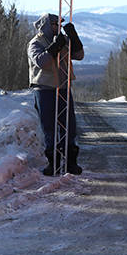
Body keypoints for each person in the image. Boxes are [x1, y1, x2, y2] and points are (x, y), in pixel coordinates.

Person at [27, 13, 85, 175]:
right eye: (54, 25)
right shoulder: (35, 43)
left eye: (59, 25)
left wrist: (74, 38)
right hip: (44, 89)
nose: (57, 27)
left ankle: (71, 163)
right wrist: (54, 48)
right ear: (46, 25)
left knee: (68, 126)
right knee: (49, 128)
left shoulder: (63, 40)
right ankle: (53, 163)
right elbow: (41, 61)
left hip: (63, 87)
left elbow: (79, 56)